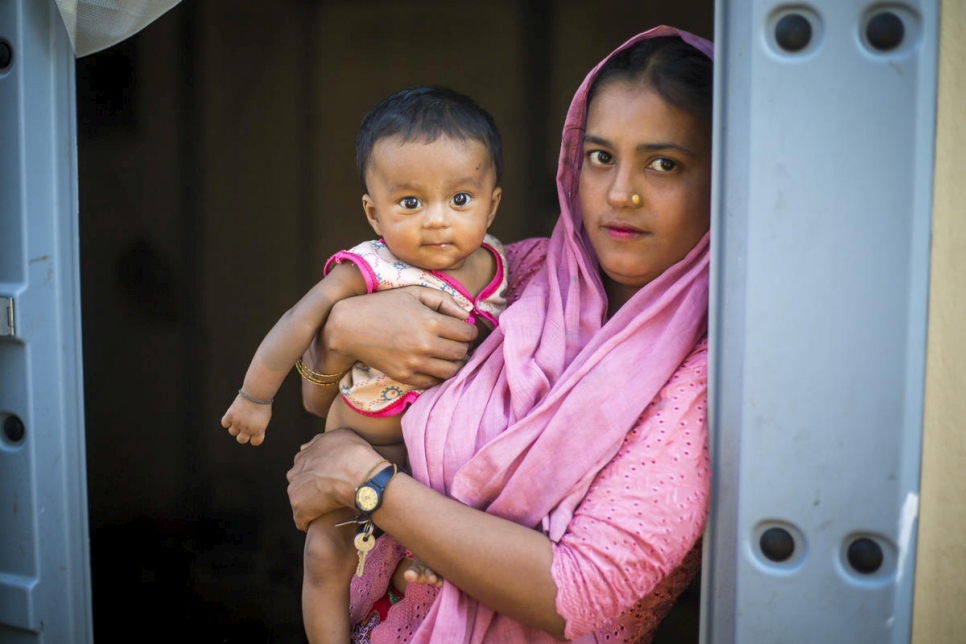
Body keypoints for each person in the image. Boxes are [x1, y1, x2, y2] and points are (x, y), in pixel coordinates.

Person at [287, 25, 713, 643]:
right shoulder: (524, 272)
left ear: (722, 179)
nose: (621, 193)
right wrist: (343, 327)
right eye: (601, 157)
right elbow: (324, 398)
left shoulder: (706, 376)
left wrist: (368, 485)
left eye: (664, 164)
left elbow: (579, 591)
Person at [221, 86, 508, 643]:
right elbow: (298, 320)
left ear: (492, 204)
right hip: (358, 449)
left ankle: (415, 562)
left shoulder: (503, 268)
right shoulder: (372, 267)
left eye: (460, 200)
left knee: (449, 536)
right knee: (325, 560)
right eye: (409, 203)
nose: (436, 222)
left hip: (436, 473)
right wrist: (255, 397)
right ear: (374, 212)